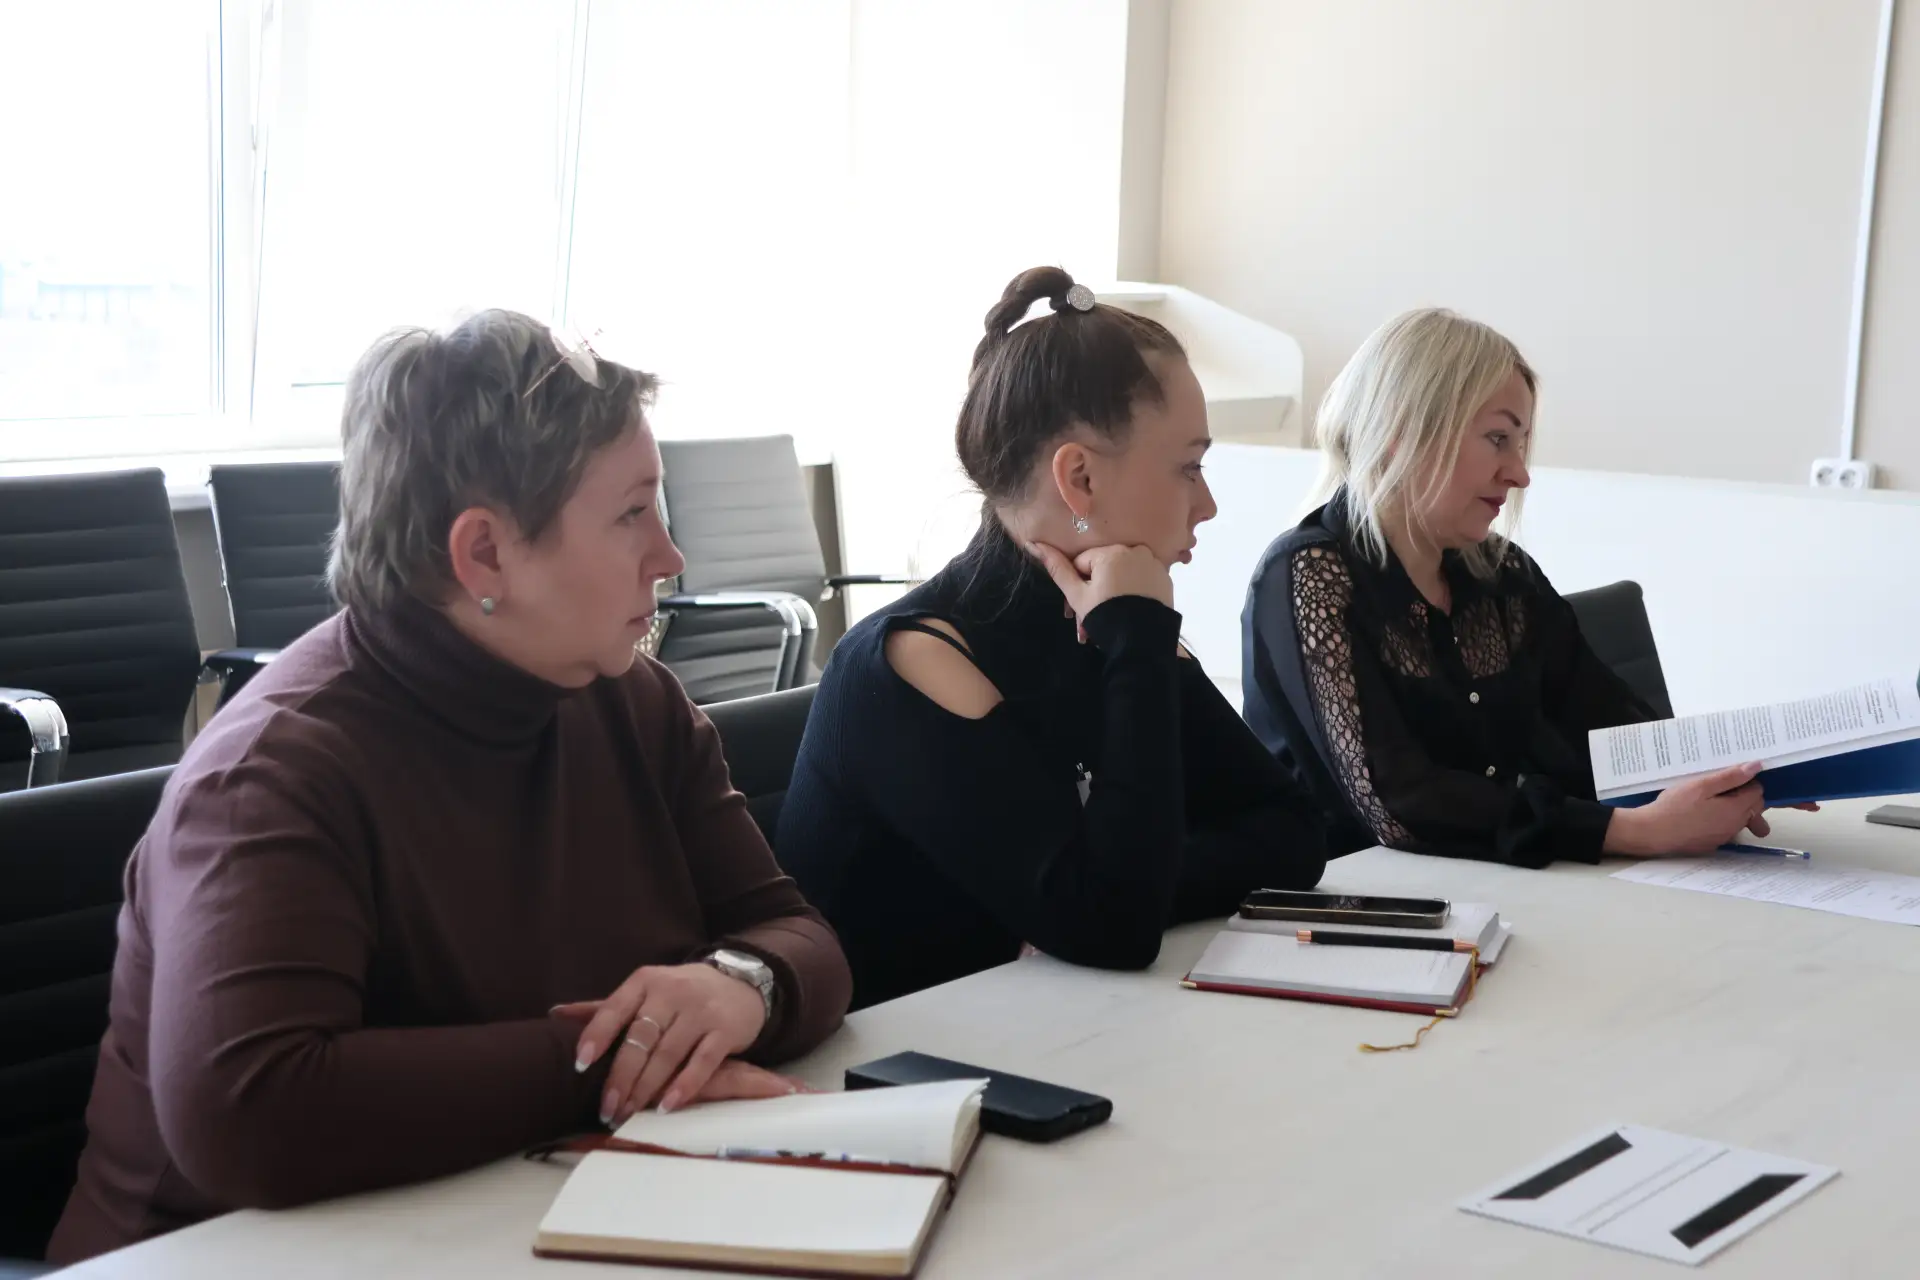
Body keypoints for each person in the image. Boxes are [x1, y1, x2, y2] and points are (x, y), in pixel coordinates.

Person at [49, 311, 852, 1263]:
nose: (671, 558)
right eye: (633, 514)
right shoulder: (274, 774)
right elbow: (250, 1110)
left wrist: (742, 986)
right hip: (220, 1256)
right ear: (485, 555)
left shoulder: (631, 702)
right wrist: (623, 1057)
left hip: (506, 1214)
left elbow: (798, 936)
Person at [777, 266, 1329, 1010]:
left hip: (1065, 1031)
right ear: (1080, 479)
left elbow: (1294, 834)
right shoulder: (918, 658)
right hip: (907, 1059)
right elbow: (1115, 926)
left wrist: (1119, 885)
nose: (1208, 504)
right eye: (1189, 467)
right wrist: (1109, 894)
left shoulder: (1114, 621)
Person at [1242, 307, 1794, 868]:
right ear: (1402, 433)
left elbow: (1607, 725)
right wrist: (1637, 832)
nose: (1519, 473)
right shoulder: (1309, 576)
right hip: (1353, 898)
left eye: (1519, 443)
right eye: (1497, 438)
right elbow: (1397, 802)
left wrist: (1733, 774)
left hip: (1498, 886)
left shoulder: (1502, 574)